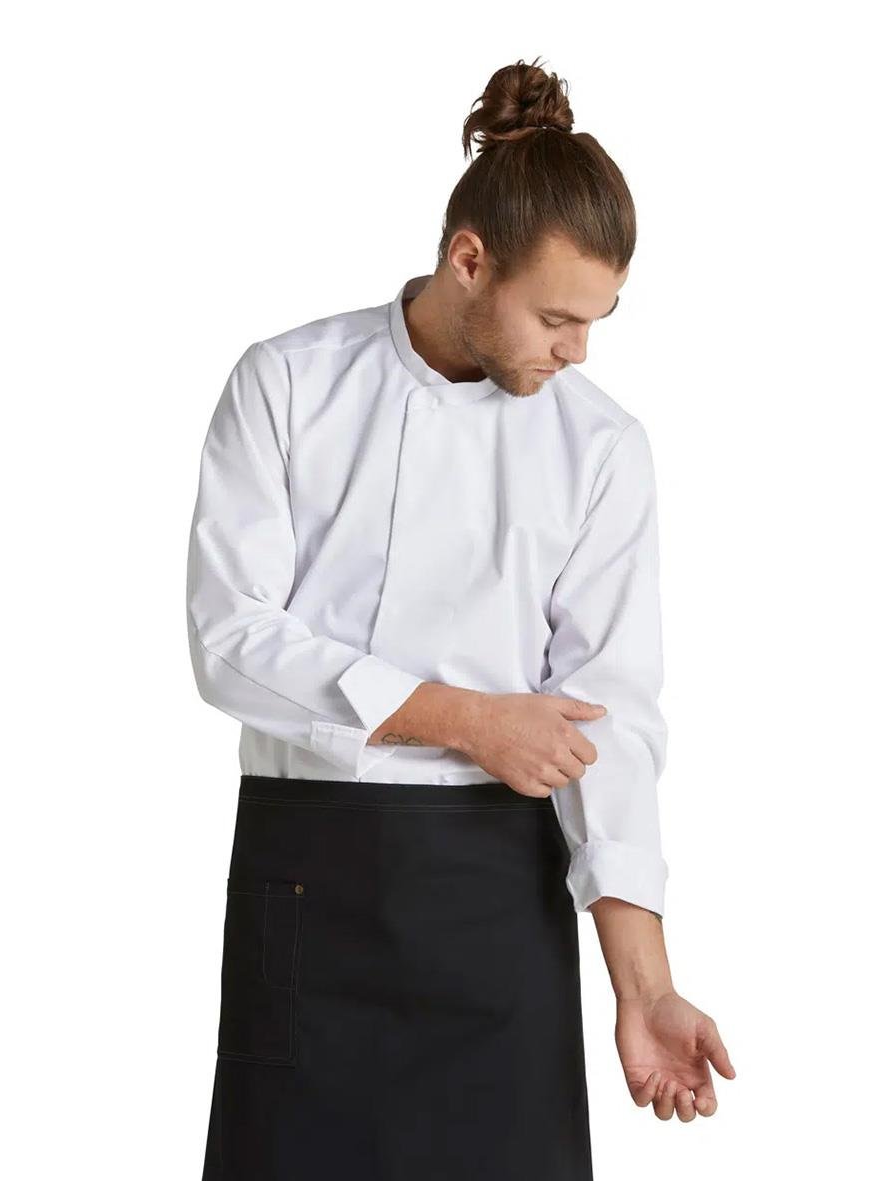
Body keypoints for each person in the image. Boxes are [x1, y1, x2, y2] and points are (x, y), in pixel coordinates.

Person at [186, 57, 735, 1181]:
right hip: (308, 876)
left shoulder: (601, 449)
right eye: (555, 317)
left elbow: (611, 731)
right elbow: (229, 642)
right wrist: (469, 720)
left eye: (597, 320)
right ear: (468, 260)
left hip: (497, 899)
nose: (575, 350)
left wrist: (644, 988)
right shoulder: (286, 383)